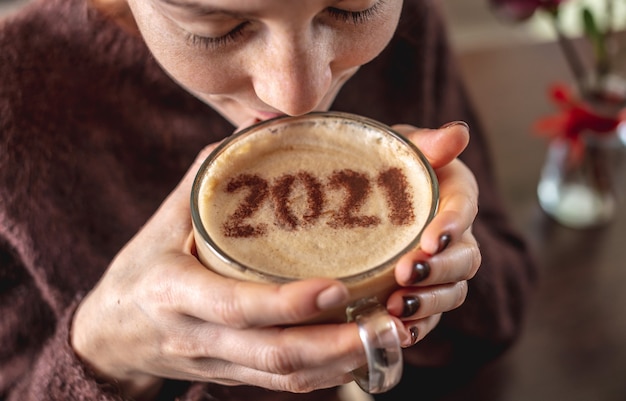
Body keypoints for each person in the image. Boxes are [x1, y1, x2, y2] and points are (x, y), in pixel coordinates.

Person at [0, 0, 537, 400]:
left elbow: (503, 314)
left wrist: (441, 270)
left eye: (354, 8)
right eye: (218, 29)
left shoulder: (411, 27)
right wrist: (104, 352)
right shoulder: (16, 97)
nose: (298, 96)